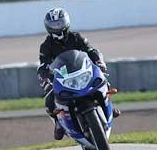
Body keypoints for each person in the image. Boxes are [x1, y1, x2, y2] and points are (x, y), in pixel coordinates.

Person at [36, 8, 119, 140]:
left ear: (66, 22)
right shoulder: (46, 45)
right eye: (54, 25)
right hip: (64, 77)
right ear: (48, 26)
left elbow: (90, 50)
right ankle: (58, 123)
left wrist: (99, 62)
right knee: (49, 99)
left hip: (82, 71)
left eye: (60, 23)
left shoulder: (76, 37)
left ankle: (108, 105)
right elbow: (43, 65)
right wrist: (46, 78)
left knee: (102, 79)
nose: (57, 27)